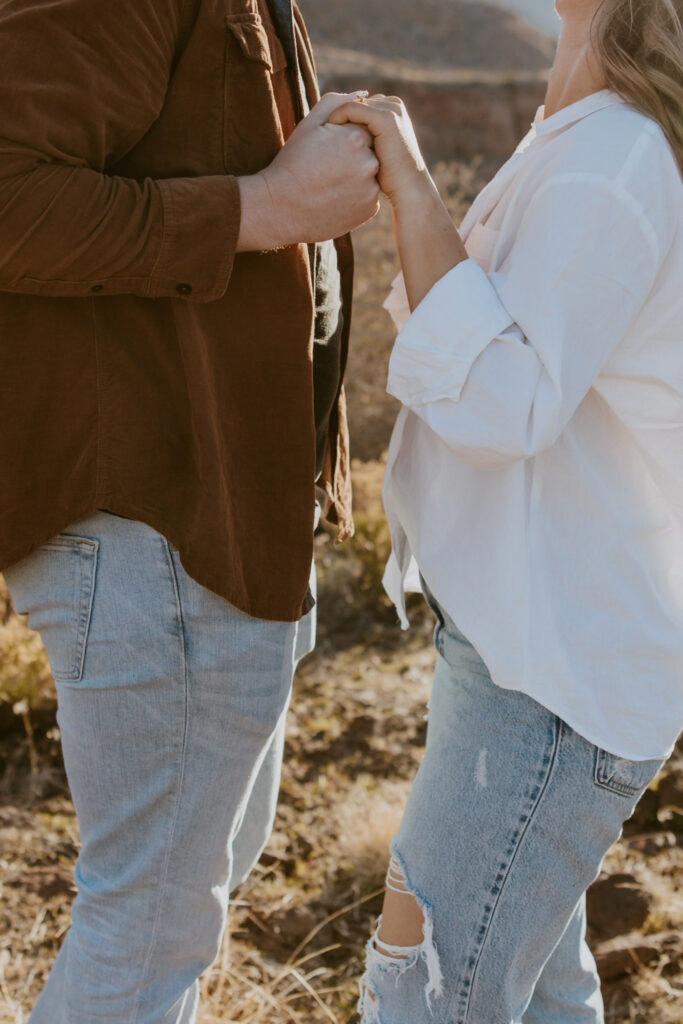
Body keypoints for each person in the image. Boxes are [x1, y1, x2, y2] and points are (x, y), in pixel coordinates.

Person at [0, 0, 380, 1020]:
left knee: (180, 893)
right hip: (154, 516)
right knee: (151, 919)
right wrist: (263, 208)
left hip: (224, 510)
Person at [328, 0, 683, 1020]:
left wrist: (408, 180)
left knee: (422, 994)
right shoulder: (582, 129)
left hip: (550, 675)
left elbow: (501, 396)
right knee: (537, 996)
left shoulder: (613, 154)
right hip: (527, 648)